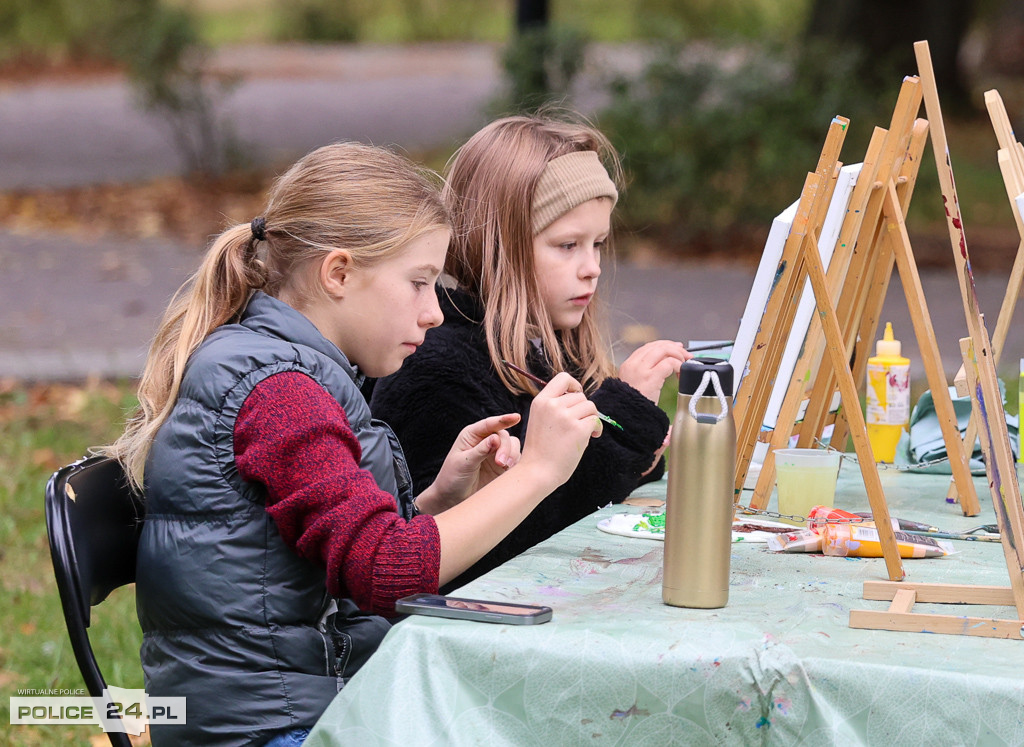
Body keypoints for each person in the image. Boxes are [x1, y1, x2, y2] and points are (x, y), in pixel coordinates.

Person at [103, 142, 602, 746]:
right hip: (272, 728)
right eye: (418, 283)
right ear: (338, 274)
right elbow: (385, 573)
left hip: (291, 705)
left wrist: (438, 502)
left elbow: (325, 554)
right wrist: (541, 470)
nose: (435, 312)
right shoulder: (281, 393)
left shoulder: (289, 371)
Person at [370, 113, 692, 590]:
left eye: (598, 244)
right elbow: (503, 545)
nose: (592, 268)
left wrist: (633, 441)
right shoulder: (435, 369)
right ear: (501, 246)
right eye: (567, 245)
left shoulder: (532, 352)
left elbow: (581, 489)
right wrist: (624, 421)